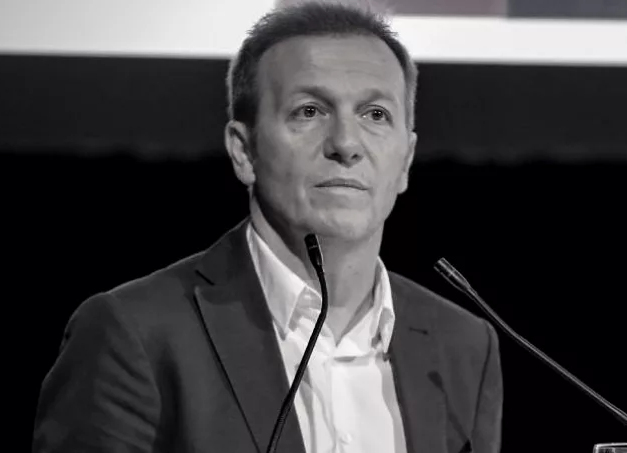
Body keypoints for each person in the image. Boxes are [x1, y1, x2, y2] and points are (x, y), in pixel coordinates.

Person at [32, 2, 503, 452]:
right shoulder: (136, 333)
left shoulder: (464, 345)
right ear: (244, 151)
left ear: (406, 160)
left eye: (375, 115)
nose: (346, 143)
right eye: (309, 111)